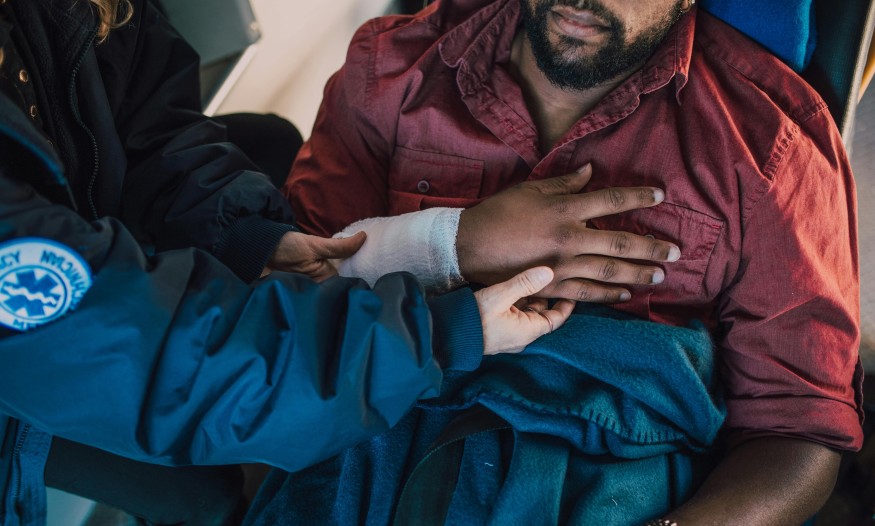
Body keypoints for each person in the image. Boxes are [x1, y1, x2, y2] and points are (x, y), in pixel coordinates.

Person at [0, 0, 596, 524]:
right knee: (203, 495)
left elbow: (147, 121)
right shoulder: (389, 63)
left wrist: (251, 237)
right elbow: (140, 354)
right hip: (45, 368)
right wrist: (441, 327)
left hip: (89, 281)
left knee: (267, 141)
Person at [277, 0, 864, 523]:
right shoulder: (388, 71)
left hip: (609, 468)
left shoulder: (773, 148)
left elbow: (798, 430)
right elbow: (287, 316)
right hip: (382, 426)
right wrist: (457, 245)